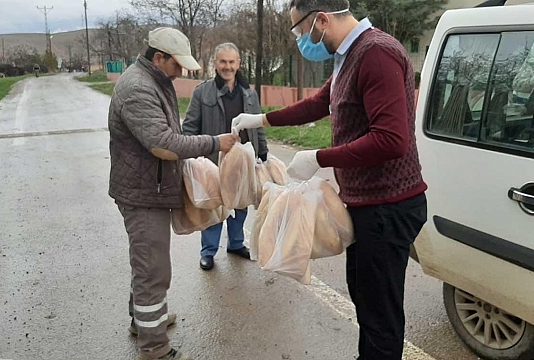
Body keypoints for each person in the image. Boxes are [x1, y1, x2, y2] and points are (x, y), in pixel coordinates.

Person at [232, 1, 428, 359]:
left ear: (321, 19)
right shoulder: (349, 54)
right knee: (366, 300)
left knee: (380, 314)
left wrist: (317, 157)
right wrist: (260, 120)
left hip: (387, 205)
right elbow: (318, 104)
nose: (300, 39)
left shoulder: (376, 54)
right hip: (367, 204)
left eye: (299, 30)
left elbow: (391, 139)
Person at [108, 27, 238, 360]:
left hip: (147, 188)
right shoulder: (138, 87)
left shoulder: (153, 80)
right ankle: (154, 348)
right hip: (141, 194)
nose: (181, 71)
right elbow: (163, 144)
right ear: (159, 57)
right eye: (177, 64)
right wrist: (213, 142)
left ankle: (144, 320)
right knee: (152, 269)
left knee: (147, 263)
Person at [182, 42, 269, 271]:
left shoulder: (249, 93)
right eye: (223, 61)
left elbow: (258, 125)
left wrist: (263, 151)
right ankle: (208, 252)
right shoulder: (202, 92)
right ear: (215, 63)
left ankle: (236, 244)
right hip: (213, 161)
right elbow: (190, 127)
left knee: (240, 204)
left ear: (238, 64)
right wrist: (188, 154)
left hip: (243, 161)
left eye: (232, 62)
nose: (227, 67)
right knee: (214, 206)